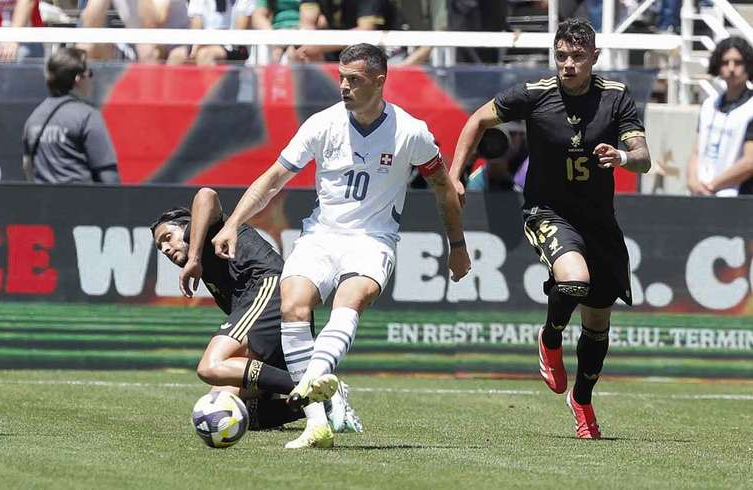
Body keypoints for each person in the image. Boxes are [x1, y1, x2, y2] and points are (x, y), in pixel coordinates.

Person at [207, 43, 471, 448]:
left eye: (354, 80)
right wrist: (233, 223)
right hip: (321, 236)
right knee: (293, 303)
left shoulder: (411, 131)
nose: (344, 86)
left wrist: (457, 244)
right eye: (341, 78)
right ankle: (317, 422)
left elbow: (443, 187)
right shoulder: (322, 124)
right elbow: (273, 179)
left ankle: (316, 378)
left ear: (379, 81)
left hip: (372, 240)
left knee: (351, 299)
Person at [450, 18, 651, 439]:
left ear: (594, 57)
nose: (568, 64)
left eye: (577, 56)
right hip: (547, 212)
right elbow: (477, 120)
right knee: (574, 281)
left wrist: (621, 157)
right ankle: (550, 336)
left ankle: (582, 400)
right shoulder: (534, 93)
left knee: (598, 324)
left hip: (599, 221)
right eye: (561, 56)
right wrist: (456, 175)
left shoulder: (615, 96)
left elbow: (643, 157)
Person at [151, 187, 362, 433]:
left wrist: (194, 257)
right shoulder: (209, 268)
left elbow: (206, 195)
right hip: (273, 325)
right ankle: (322, 403)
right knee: (224, 407)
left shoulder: (206, 229)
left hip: (268, 290)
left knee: (210, 367)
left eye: (167, 237)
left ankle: (317, 388)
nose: (165, 248)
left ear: (188, 225)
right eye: (159, 247)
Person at [22, 48, 120, 184]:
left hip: (42, 197)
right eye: (90, 73)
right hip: (80, 197)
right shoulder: (88, 117)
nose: (92, 79)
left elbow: (28, 169)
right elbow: (109, 178)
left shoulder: (34, 118)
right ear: (78, 79)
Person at [687, 36, 753, 197]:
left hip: (736, 198)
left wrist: (712, 186)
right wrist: (693, 183)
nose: (731, 68)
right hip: (701, 195)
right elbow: (696, 152)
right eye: (725, 62)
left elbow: (750, 162)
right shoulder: (709, 105)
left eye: (738, 62)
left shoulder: (750, 108)